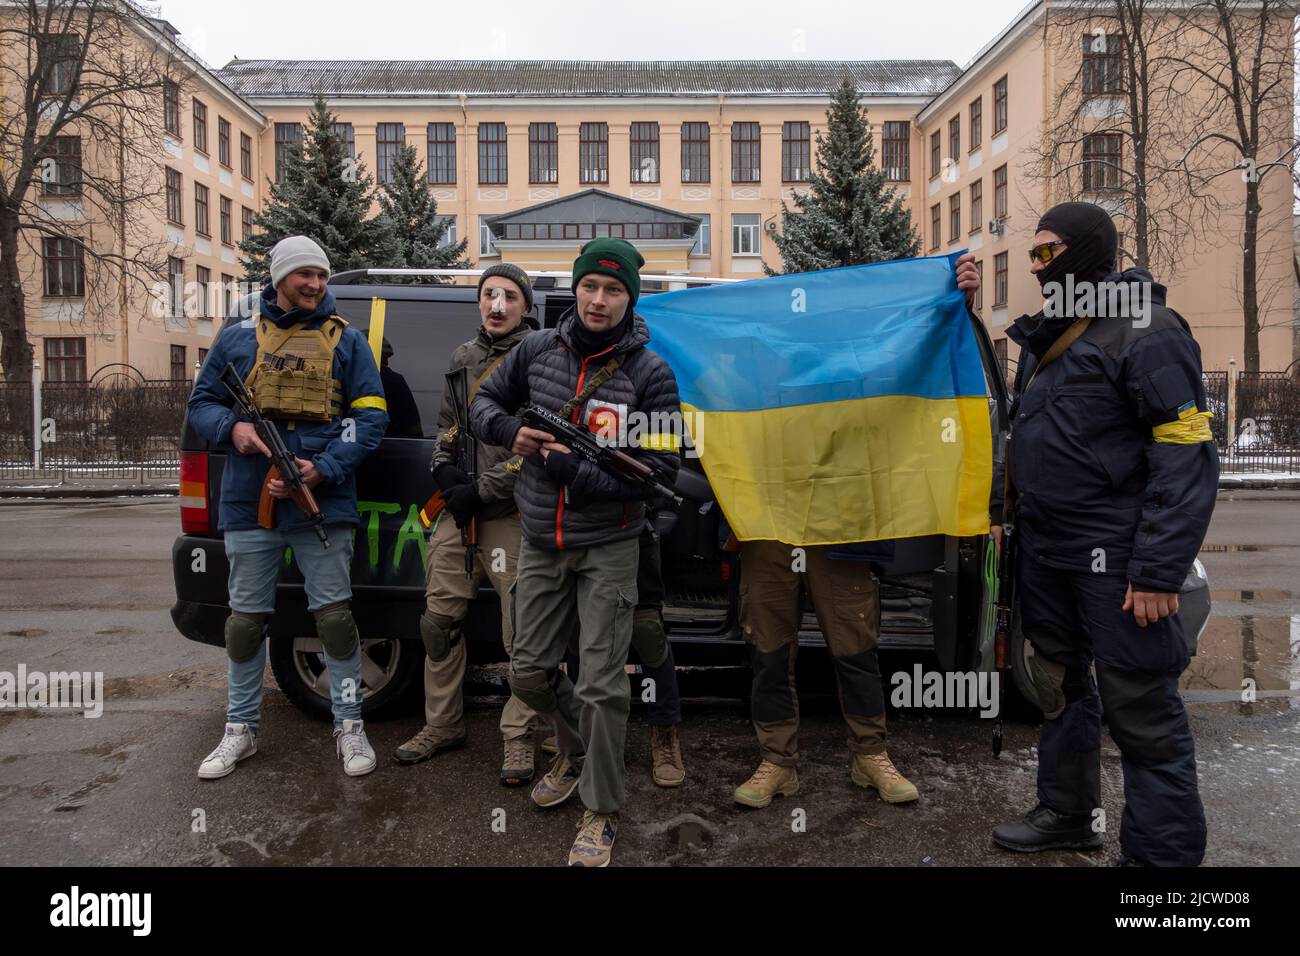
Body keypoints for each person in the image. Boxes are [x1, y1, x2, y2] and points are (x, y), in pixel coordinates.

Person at [989, 202, 1218, 867]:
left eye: (1046, 253)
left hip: (1118, 563)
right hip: (1050, 552)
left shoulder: (1146, 331)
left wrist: (1156, 571)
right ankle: (1068, 813)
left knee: (1141, 708)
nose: (1038, 268)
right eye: (1033, 256)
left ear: (1086, 253)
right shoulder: (1052, 339)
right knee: (1058, 688)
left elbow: (1186, 454)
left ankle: (1161, 865)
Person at [732, 252, 982, 810]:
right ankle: (778, 762)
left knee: (856, 651)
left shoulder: (859, 367)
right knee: (770, 654)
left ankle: (869, 756)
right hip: (768, 531)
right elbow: (692, 361)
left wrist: (956, 302)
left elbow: (920, 352)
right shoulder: (753, 367)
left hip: (841, 527)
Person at [471, 237, 682, 867]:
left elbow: (659, 468)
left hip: (609, 547)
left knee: (601, 685)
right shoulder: (536, 350)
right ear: (576, 287)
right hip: (540, 541)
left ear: (629, 299)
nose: (598, 299)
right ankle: (581, 750)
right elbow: (482, 405)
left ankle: (601, 810)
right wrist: (514, 432)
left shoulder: (652, 374)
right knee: (529, 670)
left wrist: (574, 474)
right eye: (590, 286)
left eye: (613, 290)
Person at [187, 235, 389, 779]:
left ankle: (349, 725)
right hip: (250, 503)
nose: (316, 285)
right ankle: (241, 729)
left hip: (324, 500)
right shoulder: (236, 340)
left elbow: (372, 418)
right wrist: (237, 428)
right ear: (280, 278)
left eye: (323, 277)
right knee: (246, 623)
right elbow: (201, 406)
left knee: (337, 620)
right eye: (305, 275)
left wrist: (324, 467)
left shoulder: (347, 343)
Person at [392, 263, 541, 785]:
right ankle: (443, 725)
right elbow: (448, 428)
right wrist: (444, 468)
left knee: (522, 632)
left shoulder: (542, 359)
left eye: (508, 297)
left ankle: (520, 737)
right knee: (438, 622)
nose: (496, 306)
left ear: (525, 305)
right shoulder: (462, 358)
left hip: (512, 513)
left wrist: (482, 489)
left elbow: (539, 450)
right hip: (460, 512)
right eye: (488, 295)